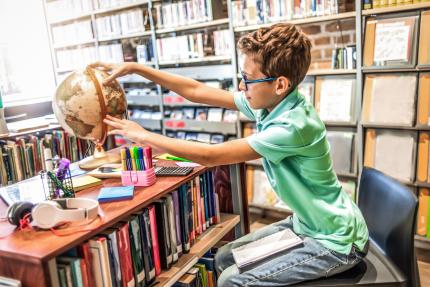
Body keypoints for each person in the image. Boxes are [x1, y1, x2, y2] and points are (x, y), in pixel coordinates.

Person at [94, 22, 369, 287]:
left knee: (232, 280)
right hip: (309, 224)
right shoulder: (271, 103)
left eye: (247, 80)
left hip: (336, 242)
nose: (241, 86)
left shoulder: (292, 126)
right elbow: (196, 91)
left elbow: (211, 156)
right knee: (225, 257)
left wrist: (143, 136)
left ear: (280, 84)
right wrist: (138, 69)